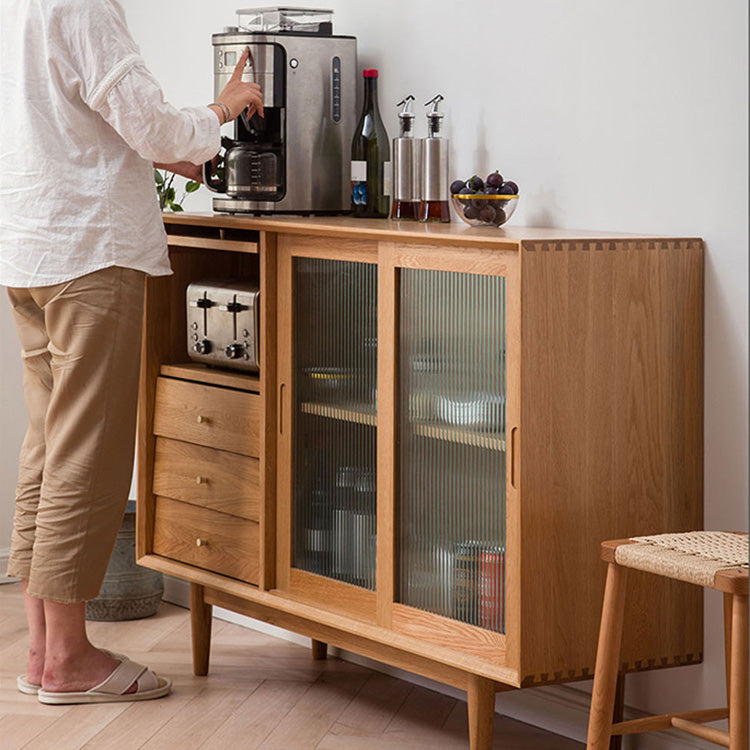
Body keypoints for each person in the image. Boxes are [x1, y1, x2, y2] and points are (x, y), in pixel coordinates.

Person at [0, 0, 262, 704]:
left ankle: (44, 651)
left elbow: (77, 121)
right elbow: (143, 118)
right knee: (85, 452)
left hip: (31, 247)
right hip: (90, 252)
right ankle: (69, 660)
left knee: (50, 447)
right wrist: (222, 107)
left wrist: (189, 146)